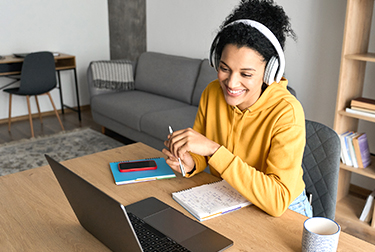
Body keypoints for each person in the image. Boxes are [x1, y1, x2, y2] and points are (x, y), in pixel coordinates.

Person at [162, 0, 313, 218]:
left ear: (270, 72)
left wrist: (214, 150)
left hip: (284, 210)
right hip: (229, 195)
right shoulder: (212, 92)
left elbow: (277, 199)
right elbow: (202, 153)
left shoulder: (287, 112)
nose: (231, 83)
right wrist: (191, 161)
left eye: (246, 74)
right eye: (224, 68)